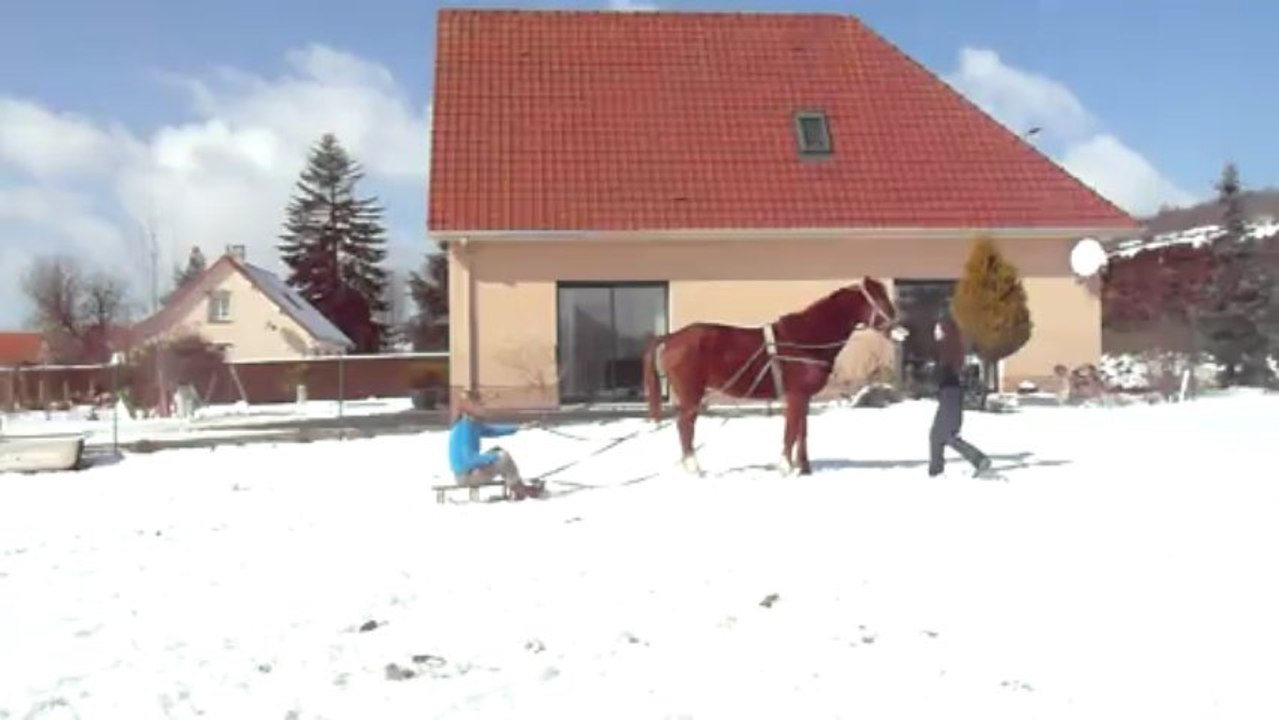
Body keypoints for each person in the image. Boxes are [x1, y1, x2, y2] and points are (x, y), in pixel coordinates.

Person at [928, 305, 992, 477]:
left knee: (947, 435)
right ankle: (935, 472)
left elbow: (946, 363)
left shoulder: (950, 343)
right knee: (937, 435)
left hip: (951, 392)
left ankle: (979, 460)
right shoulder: (950, 342)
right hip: (949, 393)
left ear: (944, 326)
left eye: (938, 326)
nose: (936, 330)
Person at [448, 389, 544, 500]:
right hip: (466, 477)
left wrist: (520, 427)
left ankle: (517, 486)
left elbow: (492, 430)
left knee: (498, 452)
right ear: (471, 407)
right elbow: (468, 459)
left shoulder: (471, 423)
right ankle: (521, 490)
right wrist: (495, 457)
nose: (484, 407)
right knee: (502, 457)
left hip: (469, 472)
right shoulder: (465, 427)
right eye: (480, 404)